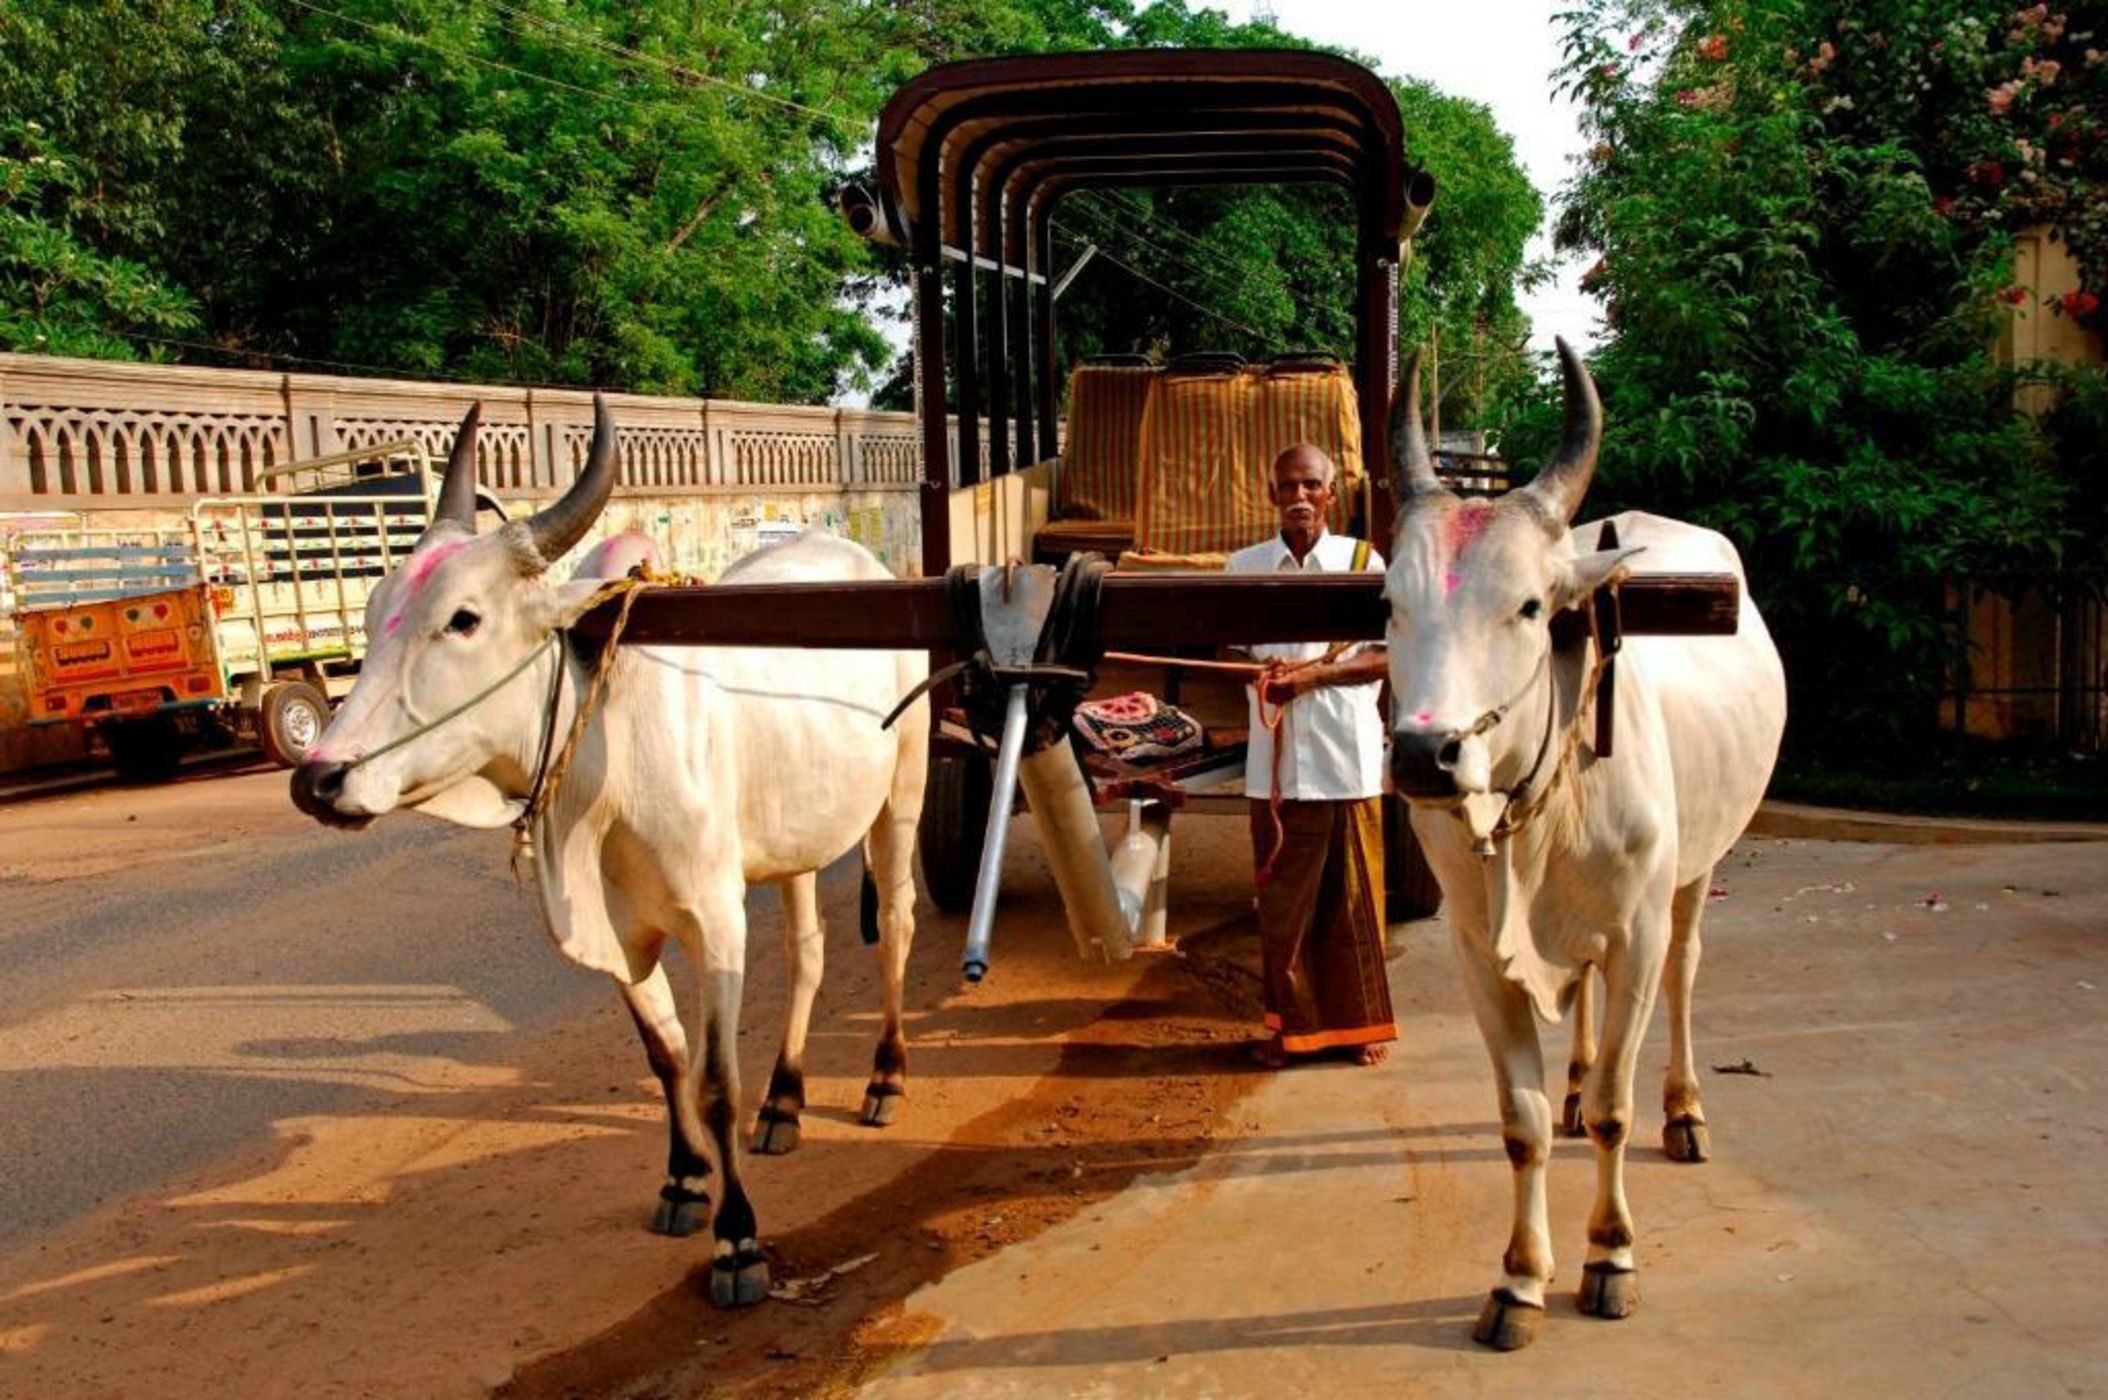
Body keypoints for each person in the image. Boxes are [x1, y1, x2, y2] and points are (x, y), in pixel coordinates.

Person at [1227, 443, 1397, 1069]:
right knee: (1282, 909)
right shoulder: (1243, 567)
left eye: (1310, 485)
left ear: (1331, 493)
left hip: (1346, 757)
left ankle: (1360, 1029)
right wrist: (1256, 673)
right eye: (1287, 486)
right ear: (1270, 494)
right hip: (1273, 765)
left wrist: (1311, 678)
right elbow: (1223, 649)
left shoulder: (1363, 561)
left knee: (1353, 905)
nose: (1298, 496)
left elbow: (1385, 654)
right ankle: (1288, 1032)